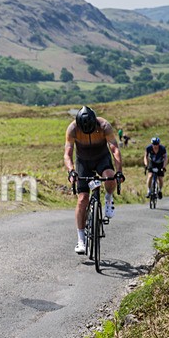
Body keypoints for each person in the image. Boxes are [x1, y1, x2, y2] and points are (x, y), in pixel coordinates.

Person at [64, 106, 124, 254]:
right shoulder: (72, 129)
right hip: (82, 162)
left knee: (109, 176)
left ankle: (109, 198)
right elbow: (67, 153)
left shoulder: (104, 126)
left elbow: (114, 148)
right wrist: (71, 171)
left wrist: (119, 172)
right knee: (82, 199)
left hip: (101, 159)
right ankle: (81, 240)